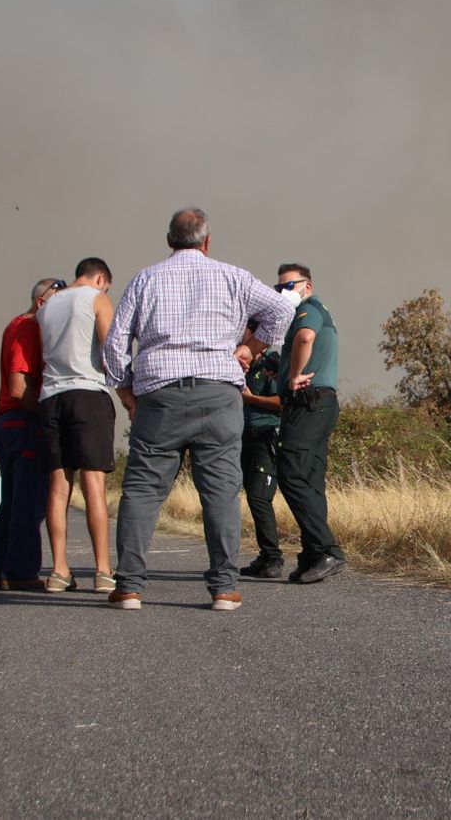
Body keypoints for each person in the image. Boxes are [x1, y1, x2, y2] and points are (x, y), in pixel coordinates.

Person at [102, 207, 297, 612]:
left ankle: (130, 587)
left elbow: (115, 343)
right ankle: (224, 588)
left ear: (169, 240)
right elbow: (282, 310)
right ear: (207, 242)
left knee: (141, 490)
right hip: (219, 394)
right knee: (221, 492)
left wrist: (126, 392)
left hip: (159, 396)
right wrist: (250, 348)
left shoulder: (145, 278)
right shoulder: (233, 276)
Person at [37, 258, 120, 594]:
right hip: (87, 394)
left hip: (51, 397)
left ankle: (59, 570)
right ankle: (103, 571)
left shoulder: (46, 305)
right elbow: (111, 347)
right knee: (94, 484)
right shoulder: (96, 298)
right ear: (100, 278)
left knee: (58, 488)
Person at [0, 277, 63, 591]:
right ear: (42, 302)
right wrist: (48, 412)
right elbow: (18, 387)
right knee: (29, 501)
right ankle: (20, 572)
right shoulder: (28, 328)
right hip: (22, 422)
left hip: (8, 422)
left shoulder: (14, 325)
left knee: (13, 500)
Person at [274, 263, 346, 584]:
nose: (284, 292)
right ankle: (314, 554)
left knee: (290, 474)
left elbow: (305, 338)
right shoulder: (313, 310)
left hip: (308, 402)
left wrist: (292, 376)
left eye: (290, 286)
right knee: (311, 479)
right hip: (322, 402)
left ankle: (327, 549)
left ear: (308, 286)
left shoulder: (309, 309)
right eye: (279, 288)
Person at [237, 337, 285, 578]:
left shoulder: (272, 364)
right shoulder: (241, 367)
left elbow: (281, 402)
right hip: (245, 438)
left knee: (259, 497)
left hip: (266, 437)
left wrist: (250, 399)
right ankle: (266, 555)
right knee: (251, 495)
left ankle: (274, 557)